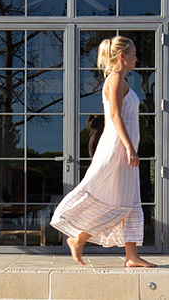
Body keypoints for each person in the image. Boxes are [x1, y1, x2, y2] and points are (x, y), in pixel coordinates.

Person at [50, 36, 156, 268]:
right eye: (134, 54)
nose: (136, 58)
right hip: (116, 147)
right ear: (122, 56)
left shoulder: (121, 80)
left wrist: (131, 146)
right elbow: (115, 117)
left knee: (128, 200)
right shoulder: (115, 79)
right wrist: (129, 147)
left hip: (122, 146)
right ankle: (79, 239)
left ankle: (132, 256)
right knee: (117, 200)